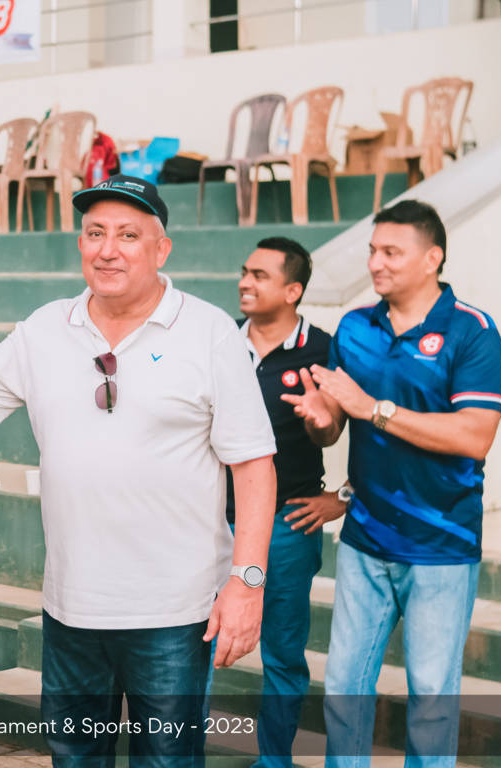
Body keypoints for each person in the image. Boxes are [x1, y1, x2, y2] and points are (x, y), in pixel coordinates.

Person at [0, 175, 278, 766]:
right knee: (74, 758)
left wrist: (246, 583)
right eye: (95, 233)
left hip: (174, 613)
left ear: (162, 249)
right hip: (72, 608)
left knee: (168, 762)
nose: (107, 249)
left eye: (128, 235)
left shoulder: (209, 332)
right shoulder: (46, 329)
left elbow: (253, 466)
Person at [283, 200, 501, 768]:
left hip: (441, 545)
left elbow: (474, 435)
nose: (376, 263)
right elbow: (334, 427)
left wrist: (372, 409)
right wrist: (320, 419)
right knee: (344, 689)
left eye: (391, 252)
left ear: (431, 258)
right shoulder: (356, 327)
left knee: (431, 698)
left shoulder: (472, 331)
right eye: (372, 251)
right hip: (365, 539)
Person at [223, 238, 347, 767]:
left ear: (293, 291)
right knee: (191, 648)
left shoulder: (324, 349)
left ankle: (274, 761)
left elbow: (337, 429)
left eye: (260, 276)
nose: (245, 282)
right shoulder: (219, 341)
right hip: (214, 524)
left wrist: (342, 494)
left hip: (287, 525)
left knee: (283, 656)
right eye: (245, 271)